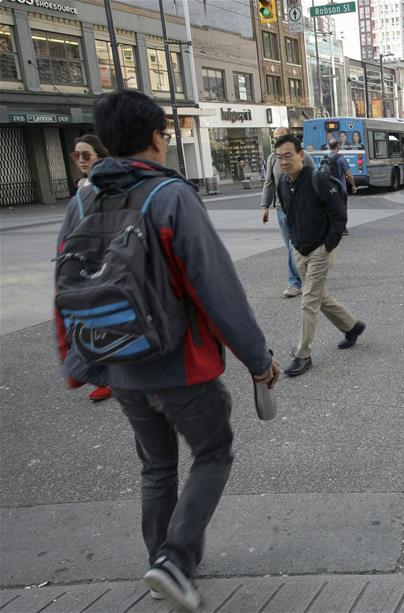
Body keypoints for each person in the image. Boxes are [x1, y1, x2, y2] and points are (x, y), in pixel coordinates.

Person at [55, 90, 280, 612]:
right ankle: (175, 562)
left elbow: (66, 283)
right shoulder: (170, 196)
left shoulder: (82, 200)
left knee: (156, 467)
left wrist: (78, 360)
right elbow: (215, 286)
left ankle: (163, 563)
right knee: (213, 450)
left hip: (119, 362)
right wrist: (257, 359)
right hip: (179, 364)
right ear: (158, 137)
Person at [275, 134, 365, 377]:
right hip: (300, 249)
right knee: (318, 295)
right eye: (279, 157)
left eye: (288, 156)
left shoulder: (318, 178)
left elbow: (339, 215)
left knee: (309, 301)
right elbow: (288, 214)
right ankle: (352, 326)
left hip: (320, 250)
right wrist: (294, 243)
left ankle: (303, 355)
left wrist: (327, 246)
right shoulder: (283, 182)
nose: (284, 161)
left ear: (300, 155)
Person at [70, 134, 115, 404]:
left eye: (87, 154)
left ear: (101, 156)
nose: (82, 160)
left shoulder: (106, 186)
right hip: (87, 260)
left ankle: (109, 375)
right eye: (77, 155)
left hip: (107, 258)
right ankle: (102, 375)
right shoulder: (82, 187)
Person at [261, 127, 302, 297]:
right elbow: (268, 183)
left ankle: (294, 283)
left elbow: (315, 179)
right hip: (281, 209)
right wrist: (265, 206)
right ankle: (304, 273)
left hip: (301, 209)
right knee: (290, 247)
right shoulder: (272, 159)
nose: (277, 141)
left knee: (295, 247)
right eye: (274, 138)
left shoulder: (302, 157)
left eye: (281, 137)